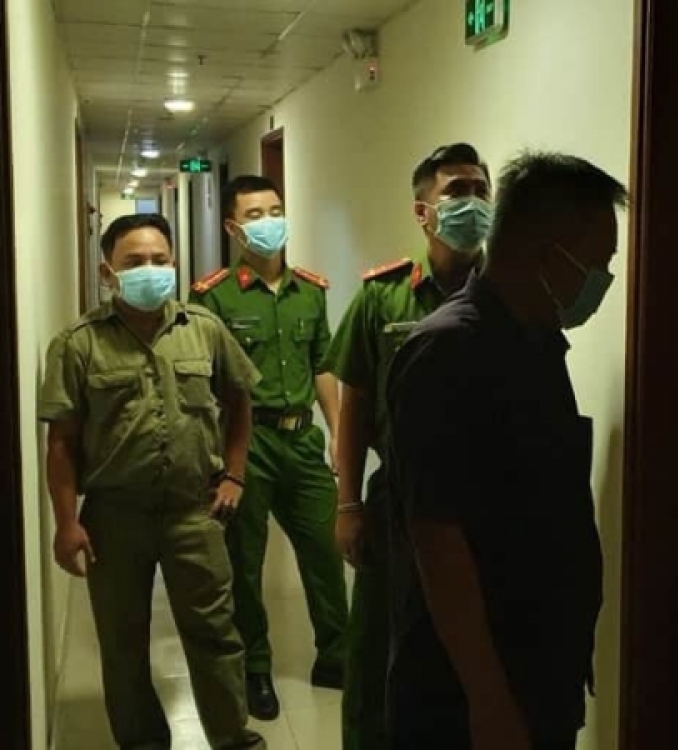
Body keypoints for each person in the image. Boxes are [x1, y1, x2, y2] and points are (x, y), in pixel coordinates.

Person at [384, 151, 627, 750]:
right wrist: (488, 702)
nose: (602, 280)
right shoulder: (447, 353)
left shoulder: (538, 340)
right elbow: (438, 542)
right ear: (545, 254)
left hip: (538, 668)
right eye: (597, 264)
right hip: (468, 692)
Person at [38, 213, 266, 750]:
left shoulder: (204, 328)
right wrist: (66, 524)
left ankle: (232, 739)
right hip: (114, 518)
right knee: (122, 646)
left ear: (175, 263)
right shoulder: (77, 344)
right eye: (134, 261)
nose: (150, 269)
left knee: (216, 636)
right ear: (107, 272)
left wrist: (234, 475)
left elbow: (239, 400)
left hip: (195, 512)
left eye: (160, 260)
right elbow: (61, 442)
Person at [323, 143, 493, 750]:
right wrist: (347, 504)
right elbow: (354, 408)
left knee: (471, 643)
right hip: (398, 496)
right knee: (377, 645)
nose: (472, 202)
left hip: (484, 501)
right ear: (424, 212)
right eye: (456, 191)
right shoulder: (384, 296)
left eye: (480, 190)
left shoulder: (508, 291)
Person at [189, 175, 347, 720]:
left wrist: (338, 434)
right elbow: (204, 379)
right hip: (246, 444)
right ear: (233, 228)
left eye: (275, 210)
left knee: (325, 551)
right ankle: (255, 666)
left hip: (302, 441)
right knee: (244, 562)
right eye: (255, 214)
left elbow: (323, 363)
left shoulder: (311, 290)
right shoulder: (213, 296)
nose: (269, 222)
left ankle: (337, 656)